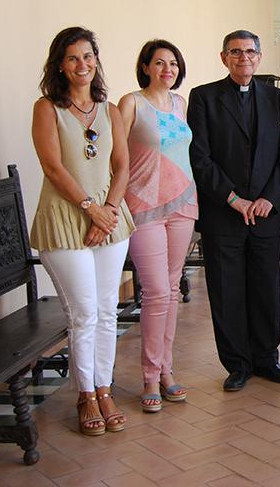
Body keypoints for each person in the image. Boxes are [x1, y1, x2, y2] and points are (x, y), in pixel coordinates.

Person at [31, 26, 133, 436]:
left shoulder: (108, 109)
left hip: (109, 219)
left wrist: (108, 211)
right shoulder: (46, 108)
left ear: (97, 61)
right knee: (84, 313)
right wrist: (90, 209)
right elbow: (52, 166)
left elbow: (123, 165)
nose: (82, 65)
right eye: (73, 58)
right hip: (65, 218)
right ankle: (85, 395)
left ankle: (105, 389)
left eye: (88, 56)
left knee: (108, 311)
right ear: (60, 64)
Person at [188, 30, 280, 392]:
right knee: (227, 289)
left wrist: (269, 197)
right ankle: (237, 364)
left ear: (260, 56)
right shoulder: (203, 98)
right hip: (224, 212)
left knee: (266, 287)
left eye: (250, 51)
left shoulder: (278, 99)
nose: (243, 58)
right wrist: (233, 199)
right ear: (223, 57)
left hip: (266, 212)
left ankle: (267, 359)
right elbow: (199, 156)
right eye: (235, 52)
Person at [119, 40, 197, 412]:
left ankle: (167, 370)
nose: (168, 69)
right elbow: (117, 157)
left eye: (173, 64)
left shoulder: (180, 104)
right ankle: (150, 376)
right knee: (154, 293)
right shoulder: (131, 103)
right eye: (160, 63)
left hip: (183, 203)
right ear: (146, 66)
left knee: (171, 287)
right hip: (144, 207)